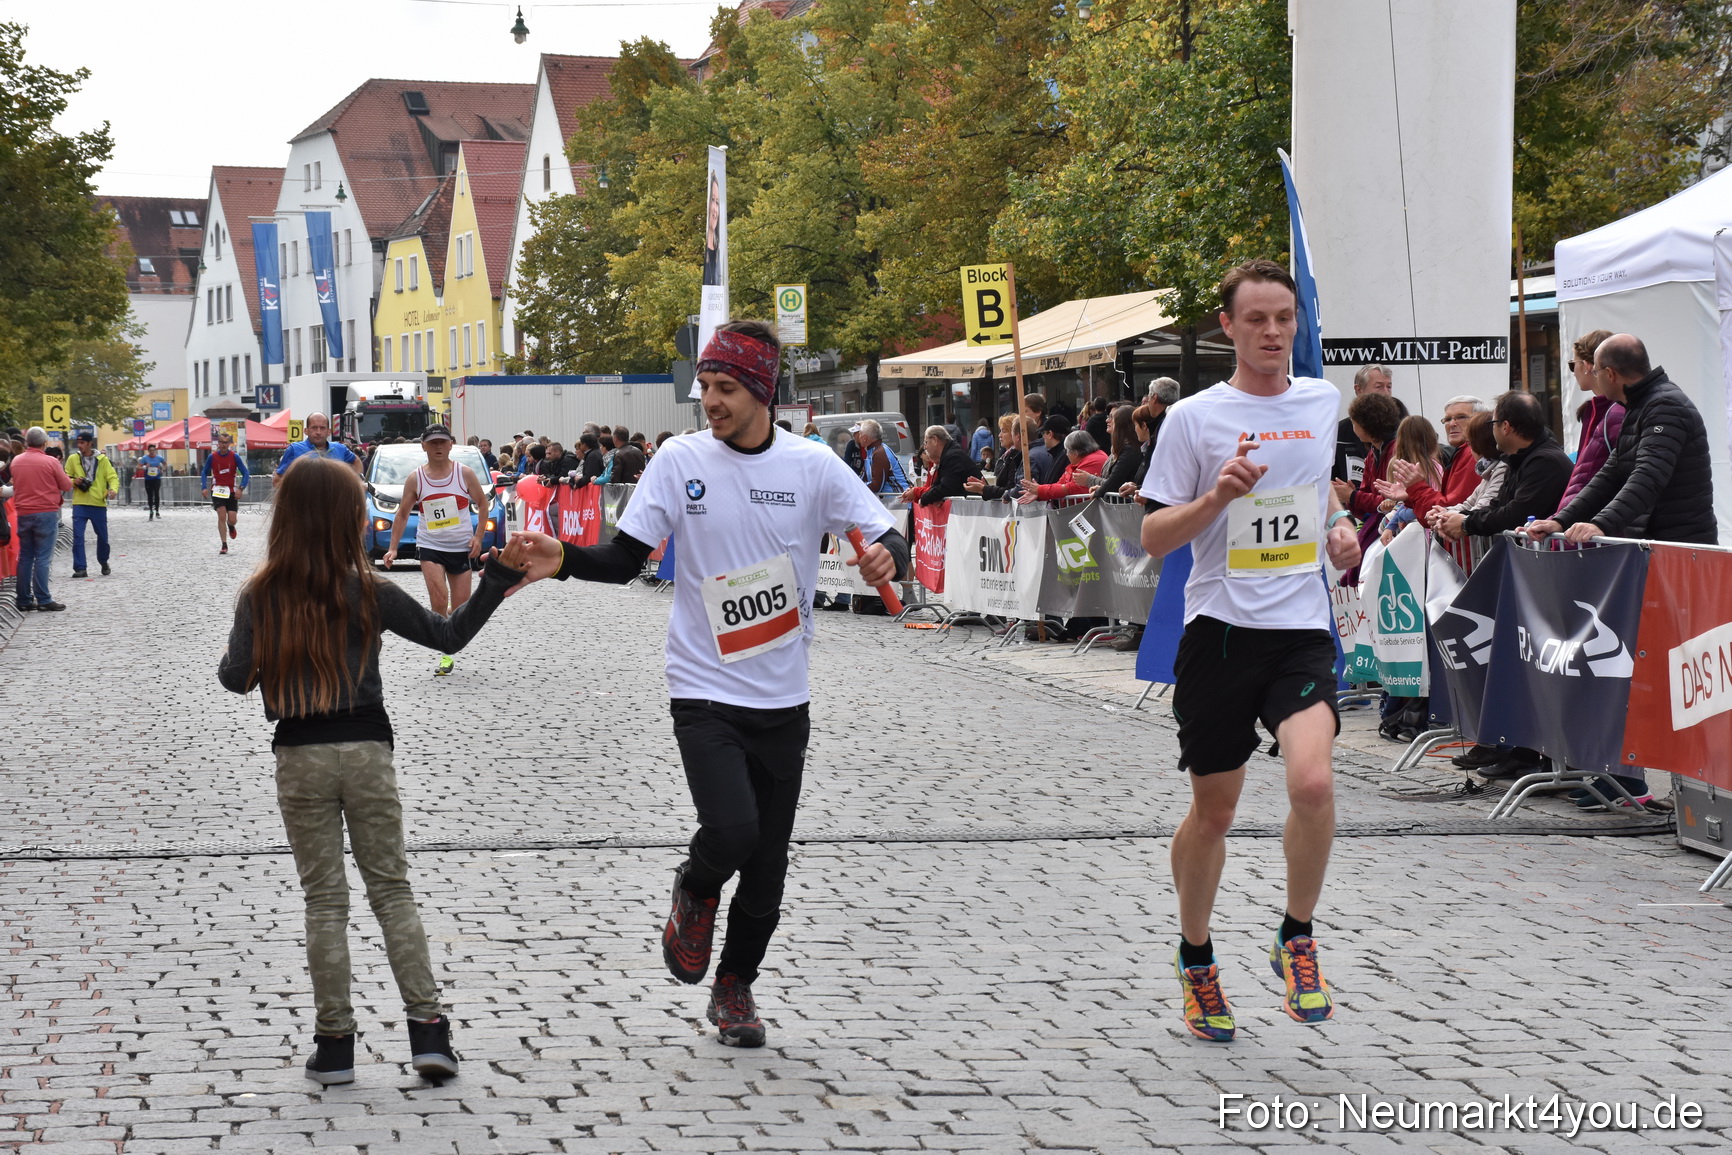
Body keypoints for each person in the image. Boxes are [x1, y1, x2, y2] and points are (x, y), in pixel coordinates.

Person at [507, 319, 909, 1049]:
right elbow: (624, 557)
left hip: (783, 697)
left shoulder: (812, 465)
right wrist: (561, 557)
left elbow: (889, 532)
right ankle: (694, 889)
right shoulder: (678, 460)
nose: (710, 400)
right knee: (731, 829)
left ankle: (735, 986)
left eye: (726, 388)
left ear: (762, 391)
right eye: (706, 385)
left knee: (767, 872)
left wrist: (888, 554)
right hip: (702, 687)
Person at [218, 456, 529, 1086]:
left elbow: (233, 677)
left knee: (324, 901)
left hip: (299, 755)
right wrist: (493, 580)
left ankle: (334, 1046)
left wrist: (268, 656)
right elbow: (447, 635)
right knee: (391, 891)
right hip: (366, 749)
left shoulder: (261, 592)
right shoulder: (366, 589)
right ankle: (429, 1035)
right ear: (344, 520)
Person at [1138, 259, 1362, 1043]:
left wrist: (1340, 530)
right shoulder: (1195, 418)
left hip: (1300, 630)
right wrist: (1217, 498)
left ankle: (1296, 934)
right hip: (1221, 635)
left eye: (1284, 318)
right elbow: (1155, 535)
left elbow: (1321, 489)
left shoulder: (1321, 399)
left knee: (1312, 779)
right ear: (1226, 326)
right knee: (1216, 810)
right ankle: (1196, 955)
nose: (1273, 332)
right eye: (1257, 319)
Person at [1527, 334, 1717, 809]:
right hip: (1653, 558)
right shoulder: (1640, 406)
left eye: (1592, 372)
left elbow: (1646, 479)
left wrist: (1600, 525)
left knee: (1674, 675)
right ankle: (1623, 779)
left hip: (1679, 559)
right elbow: (1611, 473)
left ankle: (1692, 790)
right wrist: (1563, 518)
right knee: (1632, 671)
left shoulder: (1664, 407)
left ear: (1611, 374)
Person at [1429, 391, 1572, 785]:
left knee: (1536, 668)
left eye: (1493, 424)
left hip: (1541, 581)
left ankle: (1536, 755)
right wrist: (1463, 517)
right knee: (1515, 665)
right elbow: (1492, 506)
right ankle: (1515, 747)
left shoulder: (1545, 461)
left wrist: (1468, 523)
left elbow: (1512, 513)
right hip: (1521, 578)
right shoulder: (1516, 460)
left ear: (1506, 427)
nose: (1491, 432)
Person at [382, 424, 492, 677]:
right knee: (439, 600)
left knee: (461, 608)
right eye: (433, 443)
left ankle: (449, 622)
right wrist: (393, 549)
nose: (438, 447)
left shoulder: (464, 474)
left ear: (451, 444)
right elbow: (402, 514)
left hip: (461, 547)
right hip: (430, 545)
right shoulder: (416, 478)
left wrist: (478, 538)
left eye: (443, 442)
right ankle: (445, 654)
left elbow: (483, 505)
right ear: (424, 446)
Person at [1555, 329, 1622, 513]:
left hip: (1599, 521)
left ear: (1586, 365)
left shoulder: (1612, 411)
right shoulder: (1594, 409)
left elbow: (1592, 475)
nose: (1573, 372)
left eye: (1572, 365)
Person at [8, 427, 73, 611]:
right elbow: (66, 485)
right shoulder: (51, 462)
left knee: (25, 556)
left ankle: (23, 599)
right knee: (43, 557)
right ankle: (44, 599)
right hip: (45, 512)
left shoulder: (16, 461)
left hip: (23, 512)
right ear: (44, 443)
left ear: (27, 442)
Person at [1332, 365, 1408, 485]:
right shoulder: (1339, 432)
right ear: (1359, 390)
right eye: (1379, 387)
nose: (1385, 393)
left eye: (1389, 387)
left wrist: (1355, 497)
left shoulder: (1403, 427)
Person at [65, 431, 120, 579]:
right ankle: (80, 568)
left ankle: (103, 561)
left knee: (102, 537)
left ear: (90, 443)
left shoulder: (102, 460)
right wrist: (72, 481)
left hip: (98, 503)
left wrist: (113, 490)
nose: (80, 446)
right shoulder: (73, 459)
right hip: (80, 503)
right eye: (78, 443)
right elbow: (65, 477)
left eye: (83, 443)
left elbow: (112, 477)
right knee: (77, 536)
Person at [901, 425, 982, 506]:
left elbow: (946, 487)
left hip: (975, 508)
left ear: (935, 440)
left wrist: (923, 499)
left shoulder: (952, 457)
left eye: (926, 442)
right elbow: (936, 485)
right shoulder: (948, 455)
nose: (925, 447)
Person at [1019, 430, 1106, 503]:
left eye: (1067, 451)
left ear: (1075, 453)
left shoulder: (1093, 461)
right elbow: (1061, 484)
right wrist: (1039, 492)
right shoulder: (1080, 462)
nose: (1066, 454)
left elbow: (1073, 488)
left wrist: (1040, 490)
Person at [201, 431, 250, 555]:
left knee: (232, 519)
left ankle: (231, 526)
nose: (223, 445)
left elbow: (245, 473)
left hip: (231, 490)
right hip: (217, 489)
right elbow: (204, 472)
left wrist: (241, 488)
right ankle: (224, 545)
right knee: (221, 515)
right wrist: (204, 487)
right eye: (221, 442)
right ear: (218, 443)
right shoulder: (212, 457)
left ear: (229, 444)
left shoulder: (234, 456)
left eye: (226, 443)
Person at [275, 413, 362, 483]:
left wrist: (356, 482)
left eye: (322, 428)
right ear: (306, 431)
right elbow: (277, 480)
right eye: (314, 428)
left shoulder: (340, 448)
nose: (318, 432)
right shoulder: (294, 449)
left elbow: (357, 462)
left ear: (329, 432)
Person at [966, 415, 1027, 501]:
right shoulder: (1006, 456)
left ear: (1015, 434)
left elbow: (1010, 490)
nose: (999, 435)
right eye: (1000, 431)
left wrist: (985, 489)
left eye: (1004, 431)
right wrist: (984, 488)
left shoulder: (1016, 457)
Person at [856, 419, 908, 494]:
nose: (858, 437)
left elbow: (876, 486)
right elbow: (862, 477)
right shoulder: (872, 451)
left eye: (860, 434)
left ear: (865, 438)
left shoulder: (879, 453)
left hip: (899, 500)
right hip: (888, 501)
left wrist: (855, 488)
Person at [1029, 415, 1070, 486]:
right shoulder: (1061, 453)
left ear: (1050, 434)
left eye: (1043, 433)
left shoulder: (1064, 456)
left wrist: (1040, 491)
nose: (1043, 437)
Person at [139, 443, 167, 519]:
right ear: (148, 451)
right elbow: (138, 467)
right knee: (150, 495)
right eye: (150, 450)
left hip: (156, 478)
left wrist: (163, 470)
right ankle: (151, 511)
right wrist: (145, 467)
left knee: (157, 494)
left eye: (153, 450)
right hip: (148, 479)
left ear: (155, 450)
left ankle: (157, 511)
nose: (152, 452)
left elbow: (165, 464)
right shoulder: (145, 458)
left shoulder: (159, 457)